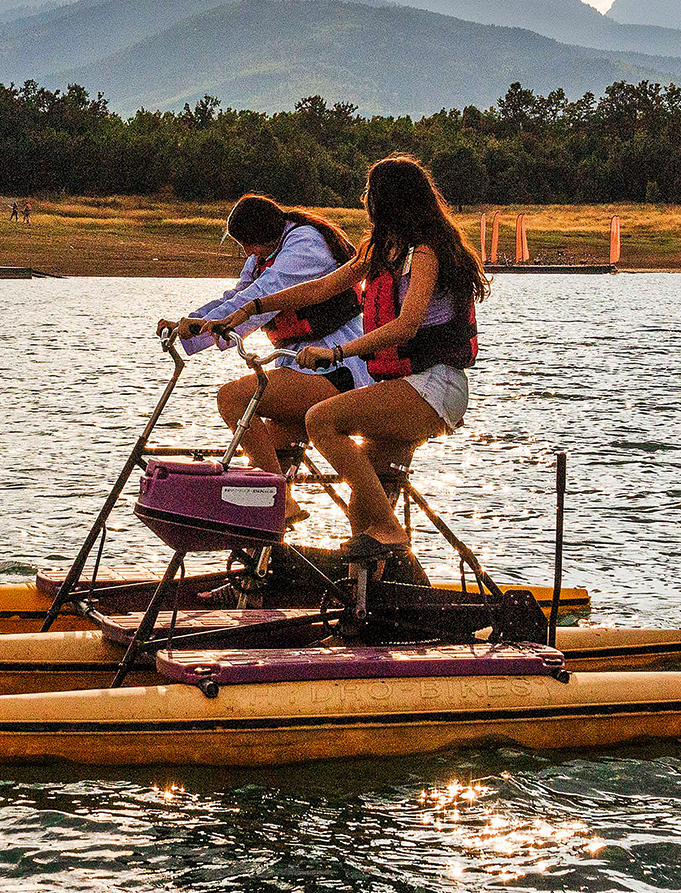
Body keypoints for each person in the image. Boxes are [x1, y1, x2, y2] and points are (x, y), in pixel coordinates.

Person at [213, 154, 486, 581]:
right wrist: (255, 306)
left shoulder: (425, 253)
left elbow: (406, 325)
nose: (366, 204)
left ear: (389, 201)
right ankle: (382, 594)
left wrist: (337, 353)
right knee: (362, 511)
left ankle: (391, 532)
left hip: (434, 386)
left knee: (321, 420)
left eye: (371, 195)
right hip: (401, 384)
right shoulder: (381, 250)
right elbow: (323, 287)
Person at [165, 195, 364, 472]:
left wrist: (207, 328)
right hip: (296, 362)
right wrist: (188, 324)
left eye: (247, 243)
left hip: (336, 362)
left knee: (232, 399)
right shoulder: (263, 255)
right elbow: (238, 295)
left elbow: (265, 293)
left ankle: (275, 493)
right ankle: (276, 496)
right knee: (269, 457)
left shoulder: (305, 244)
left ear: (263, 234)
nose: (247, 252)